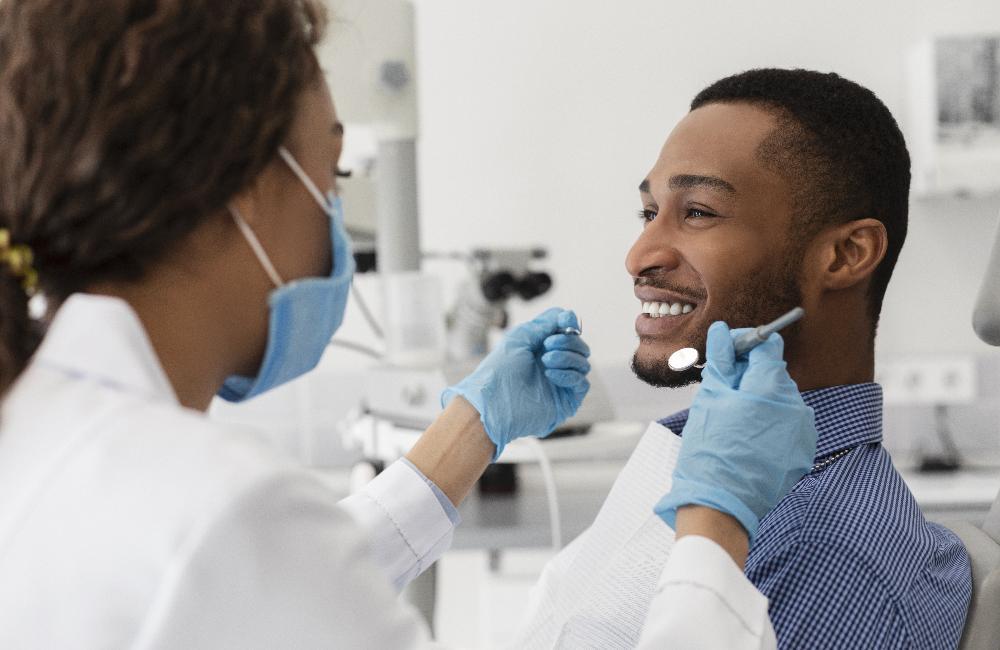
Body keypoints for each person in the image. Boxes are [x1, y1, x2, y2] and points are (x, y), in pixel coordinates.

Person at [0, 1, 816, 647]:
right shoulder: (219, 512)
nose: (644, 251)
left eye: (698, 210)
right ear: (244, 185)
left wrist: (469, 431)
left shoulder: (48, 437)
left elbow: (274, 588)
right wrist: (716, 523)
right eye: (334, 174)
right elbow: (253, 568)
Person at [509, 69, 973, 649]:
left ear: (846, 255)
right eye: (649, 212)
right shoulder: (701, 464)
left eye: (699, 211)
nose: (640, 255)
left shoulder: (823, 556)